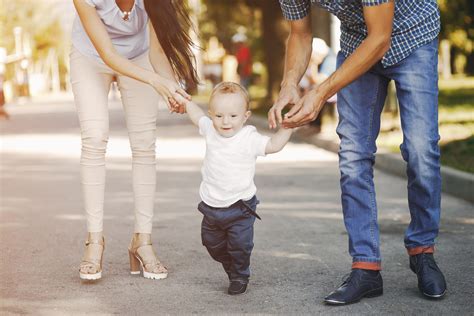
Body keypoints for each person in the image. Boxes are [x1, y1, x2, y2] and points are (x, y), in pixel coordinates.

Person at [271, 0, 446, 304]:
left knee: (421, 149)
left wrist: (321, 92)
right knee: (353, 153)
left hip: (413, 35)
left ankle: (423, 251)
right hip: (357, 43)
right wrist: (290, 83)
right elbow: (300, 33)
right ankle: (365, 266)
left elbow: (380, 37)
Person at [71, 0, 198, 280]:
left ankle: (143, 241)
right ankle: (94, 242)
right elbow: (109, 55)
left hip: (140, 56)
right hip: (91, 57)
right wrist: (156, 82)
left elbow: (155, 50)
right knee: (94, 139)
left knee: (144, 145)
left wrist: (171, 88)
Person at [170, 82, 293, 295]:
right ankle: (231, 265)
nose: (225, 121)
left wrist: (290, 126)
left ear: (245, 116)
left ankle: (239, 274)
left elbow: (273, 145)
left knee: (240, 245)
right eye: (219, 116)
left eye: (233, 116)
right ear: (212, 115)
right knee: (212, 245)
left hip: (240, 207)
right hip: (211, 206)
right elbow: (196, 114)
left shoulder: (249, 138)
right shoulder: (210, 129)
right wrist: (185, 100)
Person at [298, 37, 336, 134]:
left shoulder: (330, 60)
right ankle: (307, 123)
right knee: (305, 92)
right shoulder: (321, 58)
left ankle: (315, 125)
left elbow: (317, 80)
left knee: (314, 94)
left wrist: (313, 64)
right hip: (323, 89)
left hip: (335, 93)